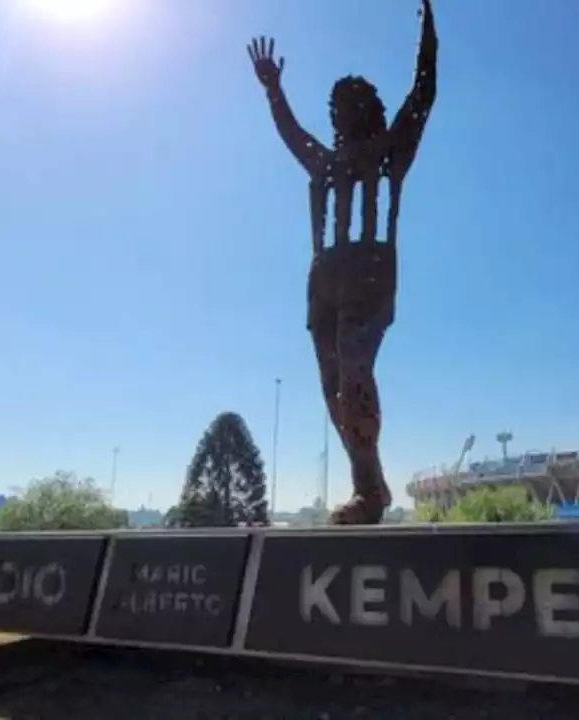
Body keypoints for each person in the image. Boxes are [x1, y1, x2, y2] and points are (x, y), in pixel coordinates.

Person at [247, 0, 437, 525]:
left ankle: (369, 493)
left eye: (350, 103)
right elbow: (291, 133)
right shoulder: (324, 162)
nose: (341, 112)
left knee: (354, 375)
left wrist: (429, 33)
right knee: (333, 392)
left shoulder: (389, 153)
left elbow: (423, 92)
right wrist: (274, 91)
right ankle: (371, 487)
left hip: (370, 274)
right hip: (324, 280)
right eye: (337, 105)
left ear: (368, 109)